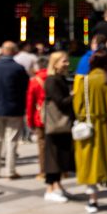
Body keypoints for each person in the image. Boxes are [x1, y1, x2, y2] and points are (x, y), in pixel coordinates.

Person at [74, 49, 107, 213]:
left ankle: (93, 201)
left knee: (90, 163)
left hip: (91, 127)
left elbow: (78, 106)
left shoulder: (85, 81)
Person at [0, 41, 28, 179]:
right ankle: (10, 171)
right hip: (14, 109)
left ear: (3, 51)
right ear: (14, 52)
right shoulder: (18, 68)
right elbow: (24, 88)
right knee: (12, 141)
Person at [42, 52, 74, 202]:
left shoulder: (59, 78)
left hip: (60, 125)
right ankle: (50, 188)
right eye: (64, 61)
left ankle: (57, 186)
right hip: (56, 124)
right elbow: (60, 102)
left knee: (60, 155)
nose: (67, 64)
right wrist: (74, 94)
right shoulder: (52, 80)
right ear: (54, 63)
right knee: (53, 156)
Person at [26, 59, 47, 174]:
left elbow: (30, 103)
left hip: (40, 117)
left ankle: (43, 171)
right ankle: (62, 171)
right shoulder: (54, 78)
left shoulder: (34, 81)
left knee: (42, 145)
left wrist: (30, 121)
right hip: (55, 117)